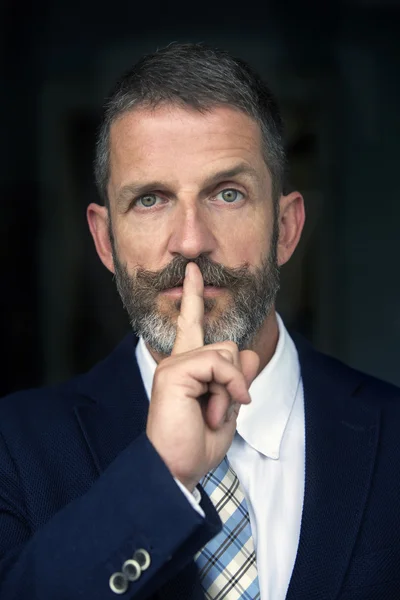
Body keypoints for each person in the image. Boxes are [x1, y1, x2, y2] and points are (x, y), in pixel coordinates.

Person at [0, 42, 399, 600]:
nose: (191, 242)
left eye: (228, 194)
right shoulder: (13, 447)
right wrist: (158, 475)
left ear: (284, 228)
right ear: (104, 239)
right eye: (150, 200)